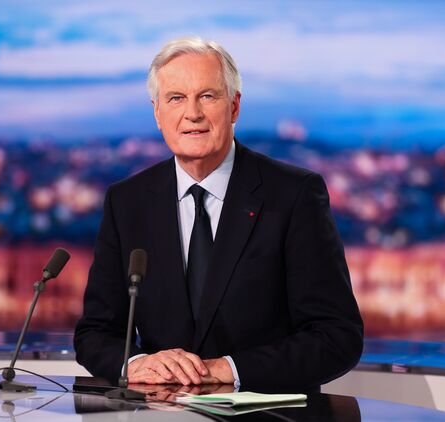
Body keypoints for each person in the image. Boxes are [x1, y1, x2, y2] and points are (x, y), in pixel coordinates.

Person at [74, 36, 363, 390]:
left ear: (235, 106)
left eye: (207, 96)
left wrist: (230, 368)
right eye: (176, 98)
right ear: (157, 113)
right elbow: (95, 333)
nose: (192, 113)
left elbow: (337, 337)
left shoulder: (293, 195)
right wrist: (136, 364)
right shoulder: (127, 202)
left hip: (266, 413)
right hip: (160, 412)